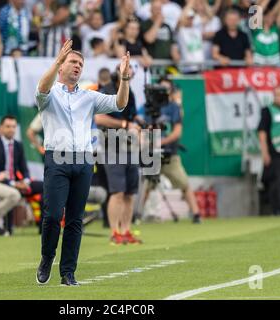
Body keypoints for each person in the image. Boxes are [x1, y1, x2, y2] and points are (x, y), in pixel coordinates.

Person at [35, 39, 130, 286]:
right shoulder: (50, 92)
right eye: (73, 62)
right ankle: (47, 257)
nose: (77, 66)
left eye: (80, 63)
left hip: (84, 160)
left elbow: (119, 104)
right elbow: (41, 89)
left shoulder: (89, 96)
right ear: (62, 65)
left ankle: (68, 272)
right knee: (53, 215)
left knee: (76, 219)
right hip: (57, 157)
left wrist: (125, 80)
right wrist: (56, 61)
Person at [94, 64, 142, 245]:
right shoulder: (106, 91)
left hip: (130, 146)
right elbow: (99, 118)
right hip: (111, 145)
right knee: (117, 192)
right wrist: (125, 125)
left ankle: (126, 230)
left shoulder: (132, 93)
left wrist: (140, 123)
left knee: (130, 192)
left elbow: (132, 117)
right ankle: (115, 231)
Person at [143, 77, 201, 223]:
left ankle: (196, 214)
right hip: (152, 154)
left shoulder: (174, 107)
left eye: (166, 88)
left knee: (184, 183)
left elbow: (177, 132)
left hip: (170, 154)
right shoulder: (150, 107)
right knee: (146, 186)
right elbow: (144, 128)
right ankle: (135, 216)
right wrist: (151, 142)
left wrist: (161, 142)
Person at [0, 115, 43, 199]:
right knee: (14, 195)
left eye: (14, 127)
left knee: (45, 186)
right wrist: (14, 184)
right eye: (8, 127)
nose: (11, 129)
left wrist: (26, 181)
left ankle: (47, 213)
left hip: (18, 182)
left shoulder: (18, 145)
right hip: (2, 182)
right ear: (1, 128)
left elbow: (24, 168)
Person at [258, 86, 280, 216]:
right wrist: (264, 152)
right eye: (276, 95)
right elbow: (262, 132)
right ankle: (276, 209)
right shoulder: (268, 111)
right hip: (275, 151)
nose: (278, 97)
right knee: (276, 180)